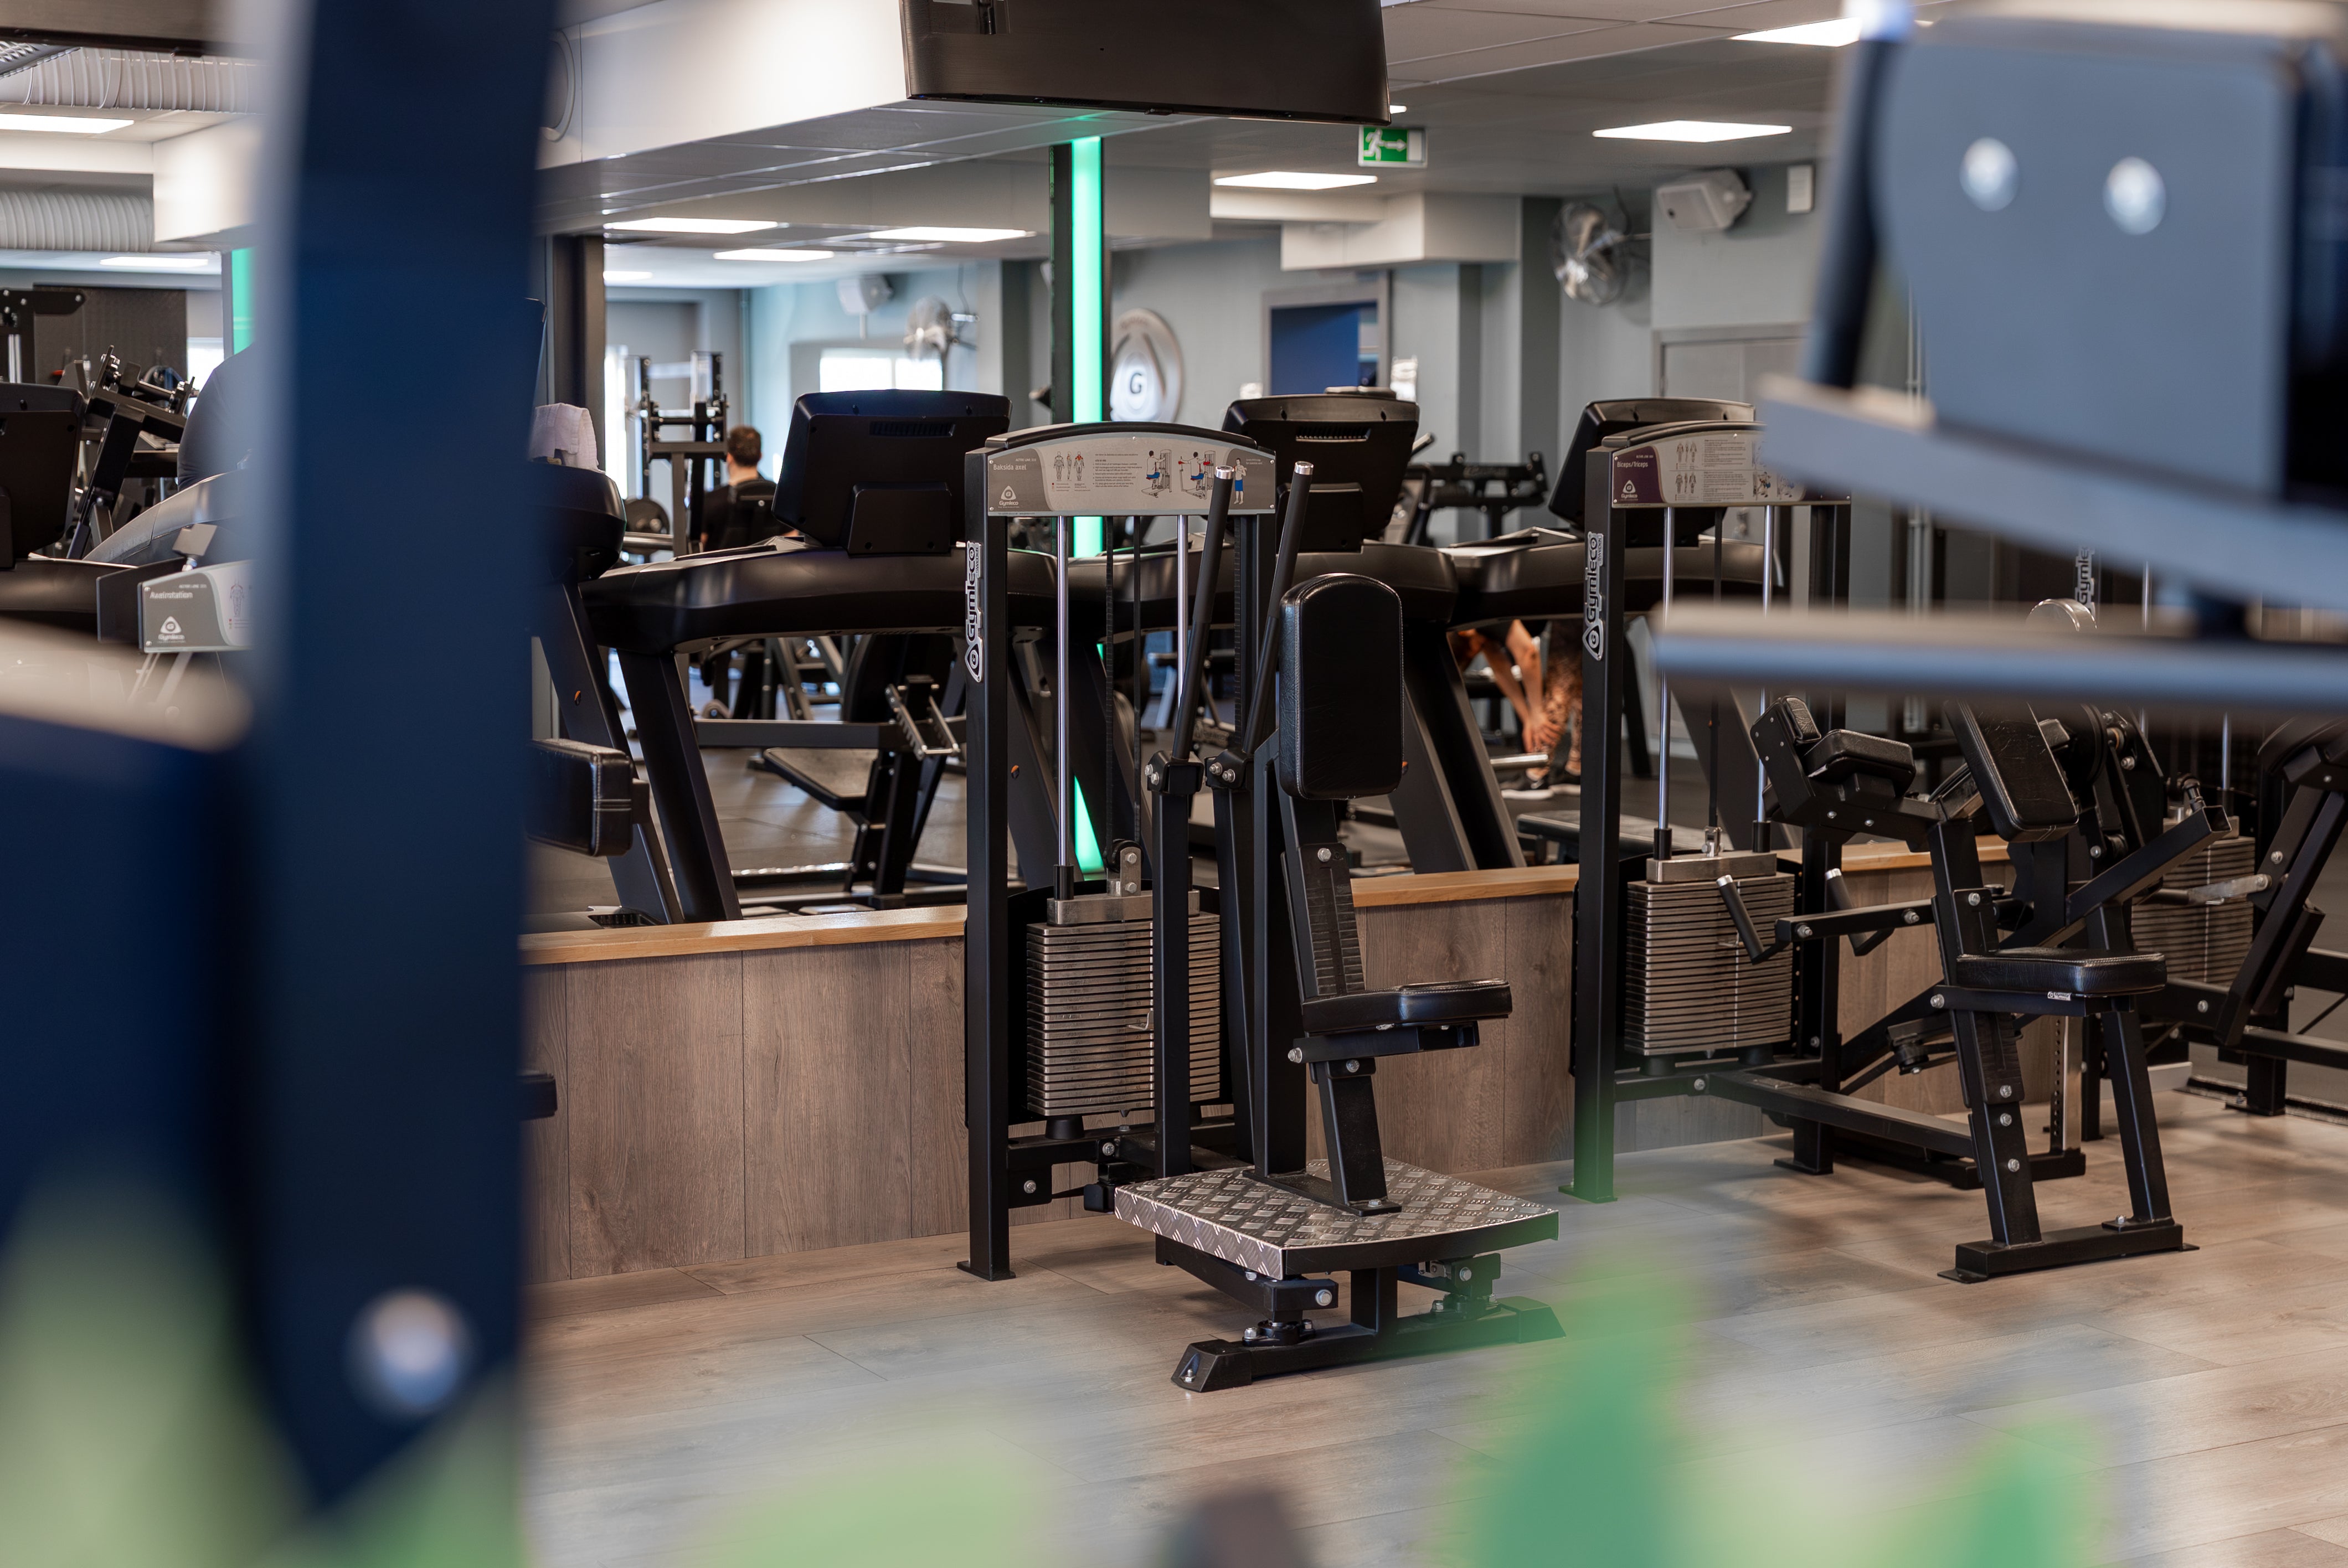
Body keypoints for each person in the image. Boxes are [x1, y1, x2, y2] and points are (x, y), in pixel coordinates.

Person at [693, 424, 777, 551]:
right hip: (769, 565)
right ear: (760, 456)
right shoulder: (779, 497)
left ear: (729, 457)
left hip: (720, 565)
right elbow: (790, 542)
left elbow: (696, 550)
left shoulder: (710, 501)